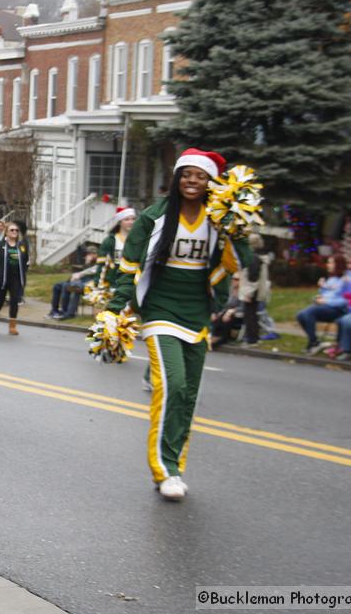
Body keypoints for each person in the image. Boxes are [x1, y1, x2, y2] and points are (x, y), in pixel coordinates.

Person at [108, 148, 250, 501]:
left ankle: (175, 465)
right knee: (171, 384)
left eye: (200, 176)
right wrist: (115, 308)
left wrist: (238, 226)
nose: (192, 181)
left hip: (198, 313)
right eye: (187, 174)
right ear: (177, 178)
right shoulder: (154, 217)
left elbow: (241, 260)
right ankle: (164, 470)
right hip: (159, 310)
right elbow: (129, 265)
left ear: (210, 182)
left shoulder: (218, 218)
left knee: (188, 394)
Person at [295, 255, 351, 354]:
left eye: (331, 262)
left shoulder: (348, 279)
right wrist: (321, 291)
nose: (328, 265)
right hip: (325, 307)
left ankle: (313, 343)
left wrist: (326, 301)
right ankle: (314, 340)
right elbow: (327, 293)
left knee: (309, 313)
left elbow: (347, 300)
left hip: (339, 309)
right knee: (300, 315)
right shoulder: (333, 278)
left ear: (338, 264)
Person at [0, 222, 29, 335]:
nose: (15, 232)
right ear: (6, 232)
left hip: (16, 278)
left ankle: (12, 326)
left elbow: (27, 261)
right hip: (2, 278)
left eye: (16, 230)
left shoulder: (22, 246)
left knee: (14, 301)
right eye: (12, 230)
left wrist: (24, 272)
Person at [237, 233, 271, 346]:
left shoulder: (253, 257)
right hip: (258, 290)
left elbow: (252, 277)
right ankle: (253, 337)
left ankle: (251, 338)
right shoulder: (260, 256)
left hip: (252, 291)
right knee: (252, 314)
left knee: (250, 314)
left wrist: (248, 293)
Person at [47, 248, 99, 319]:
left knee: (68, 286)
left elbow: (91, 271)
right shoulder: (88, 262)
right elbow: (79, 272)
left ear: (95, 255)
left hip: (88, 284)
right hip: (79, 281)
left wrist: (80, 274)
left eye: (90, 254)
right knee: (57, 286)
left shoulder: (99, 263)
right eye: (87, 254)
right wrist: (87, 264)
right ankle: (54, 311)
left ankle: (65, 312)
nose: (87, 256)